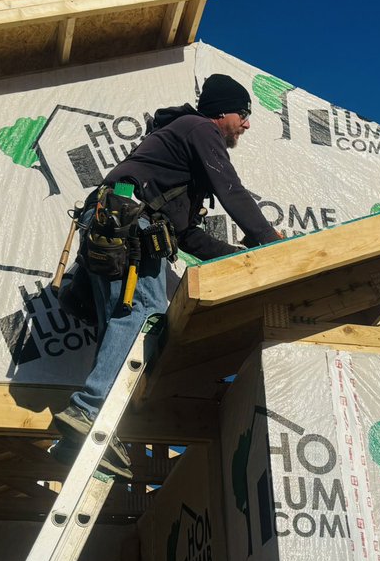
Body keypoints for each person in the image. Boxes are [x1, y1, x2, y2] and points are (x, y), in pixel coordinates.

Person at [50, 74, 282, 476]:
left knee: (122, 326)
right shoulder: (198, 128)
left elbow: (188, 236)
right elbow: (231, 188)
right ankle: (89, 412)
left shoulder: (177, 163)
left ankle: (79, 438)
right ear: (221, 113)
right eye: (243, 114)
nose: (246, 124)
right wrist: (267, 241)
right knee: (144, 314)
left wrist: (238, 257)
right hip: (128, 226)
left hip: (116, 226)